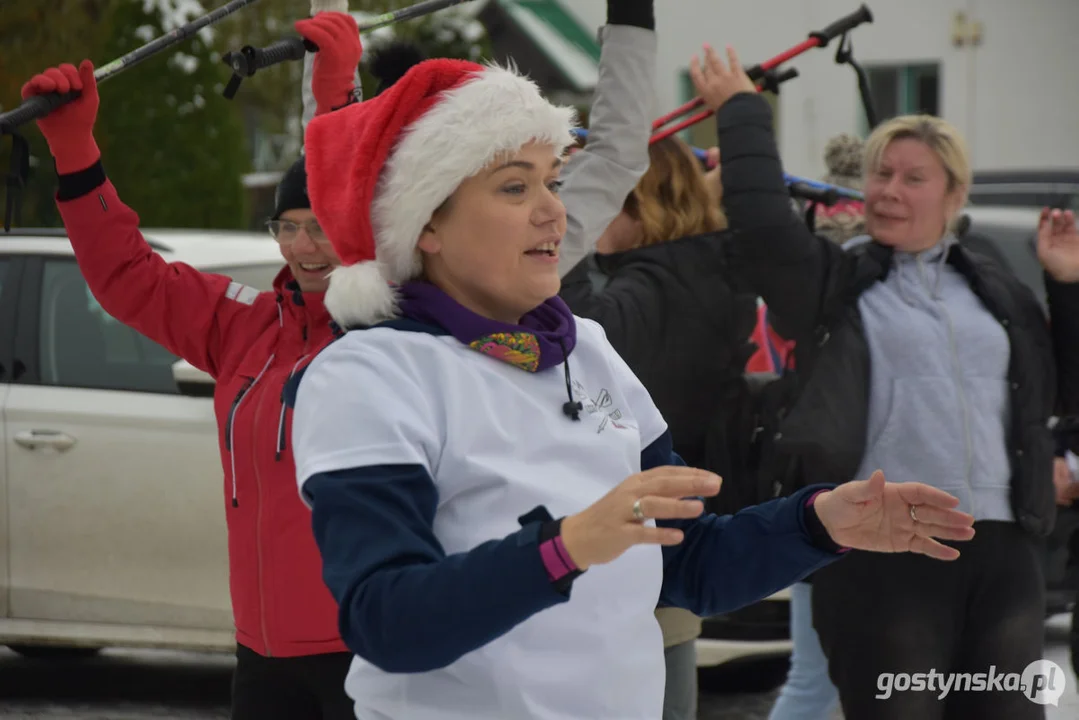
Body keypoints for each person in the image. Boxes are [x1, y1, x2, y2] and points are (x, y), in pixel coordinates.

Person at [287, 56, 976, 720]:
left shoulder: (585, 348)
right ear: (425, 222)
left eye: (552, 182)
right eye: (513, 186)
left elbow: (689, 564)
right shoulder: (369, 374)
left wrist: (816, 523)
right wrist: (567, 546)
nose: (553, 212)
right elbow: (386, 621)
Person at [690, 43, 1079, 719]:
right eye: (879, 175)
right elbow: (760, 226)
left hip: (1002, 549)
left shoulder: (993, 287)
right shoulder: (836, 283)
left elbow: (1063, 390)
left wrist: (1065, 285)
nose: (886, 191)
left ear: (954, 194)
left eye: (911, 178)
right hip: (883, 549)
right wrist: (743, 112)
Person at [20, 9, 364, 720]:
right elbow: (129, 277)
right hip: (260, 649)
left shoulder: (387, 329)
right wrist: (77, 153)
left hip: (363, 647)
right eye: (288, 227)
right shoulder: (244, 324)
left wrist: (338, 103)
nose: (304, 247)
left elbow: (378, 214)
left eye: (321, 226)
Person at [559, 134, 757, 720]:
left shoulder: (643, 290)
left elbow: (568, 332)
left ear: (637, 206)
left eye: (598, 202)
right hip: (681, 521)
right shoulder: (715, 274)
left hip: (634, 535)